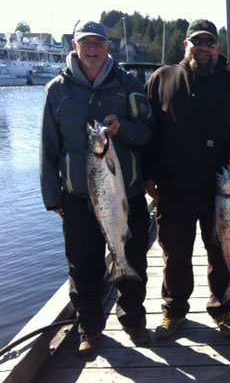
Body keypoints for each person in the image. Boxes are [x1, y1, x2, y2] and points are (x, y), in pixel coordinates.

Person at [144, 19, 230, 340]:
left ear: (217, 48)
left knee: (222, 252)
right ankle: (174, 310)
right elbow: (145, 133)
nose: (204, 48)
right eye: (198, 42)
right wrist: (147, 174)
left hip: (221, 192)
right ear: (187, 45)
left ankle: (223, 307)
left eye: (210, 43)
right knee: (175, 254)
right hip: (173, 190)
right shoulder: (161, 79)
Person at [40, 21, 154, 355]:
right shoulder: (56, 91)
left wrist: (124, 131)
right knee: (82, 265)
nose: (92, 49)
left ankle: (133, 320)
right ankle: (89, 329)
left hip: (125, 194)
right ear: (74, 47)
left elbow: (148, 132)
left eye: (98, 44)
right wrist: (52, 196)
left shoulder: (128, 84)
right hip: (77, 196)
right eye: (85, 43)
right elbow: (48, 150)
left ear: (109, 48)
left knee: (133, 259)